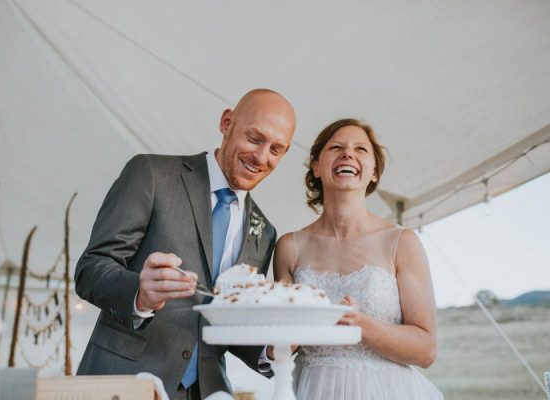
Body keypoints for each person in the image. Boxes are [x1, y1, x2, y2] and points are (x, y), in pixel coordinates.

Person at [75, 89, 296, 400]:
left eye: (276, 149)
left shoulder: (265, 232)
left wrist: (271, 347)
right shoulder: (152, 174)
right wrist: (139, 293)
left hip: (206, 392)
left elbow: (227, 323)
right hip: (124, 383)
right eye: (255, 138)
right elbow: (91, 269)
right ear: (226, 122)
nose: (261, 157)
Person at [273, 118, 443, 399]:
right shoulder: (289, 247)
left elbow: (426, 351)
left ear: (374, 171)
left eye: (361, 149)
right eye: (336, 146)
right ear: (316, 166)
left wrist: (358, 323)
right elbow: (280, 340)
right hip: (312, 390)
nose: (348, 154)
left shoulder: (402, 242)